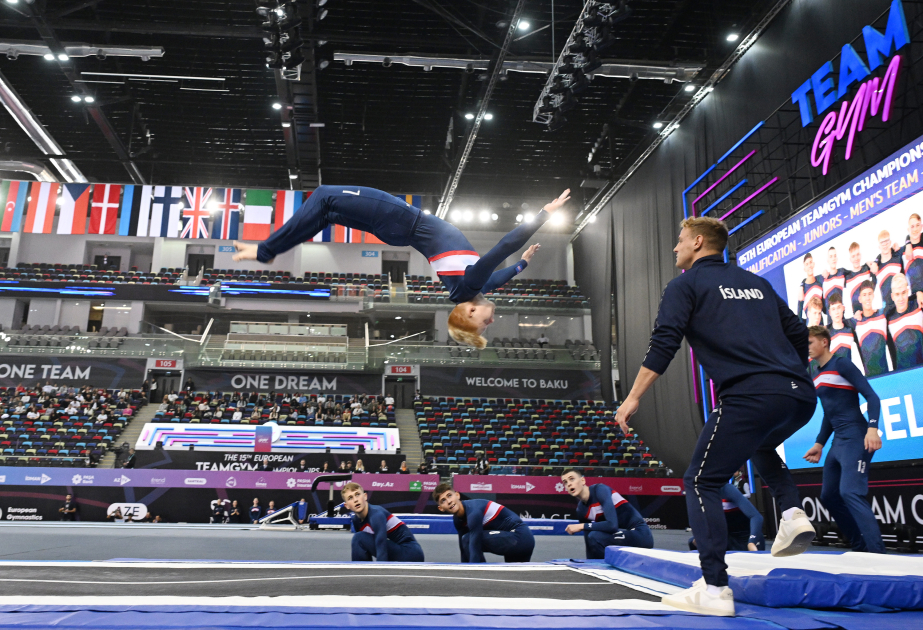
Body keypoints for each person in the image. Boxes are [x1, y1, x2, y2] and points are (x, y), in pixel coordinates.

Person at [615, 216, 817, 617]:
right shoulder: (757, 283)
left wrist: (633, 397)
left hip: (749, 396)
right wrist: (789, 372)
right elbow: (799, 332)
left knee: (702, 480)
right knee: (759, 444)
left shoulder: (685, 285)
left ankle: (715, 588)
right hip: (798, 396)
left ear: (699, 242)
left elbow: (664, 343)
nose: (675, 248)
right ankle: (792, 512)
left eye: (680, 240)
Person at [233, 186, 571, 349]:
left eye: (484, 325)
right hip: (398, 231)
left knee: (322, 196)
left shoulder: (469, 285)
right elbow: (500, 277)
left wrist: (545, 213)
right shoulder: (471, 289)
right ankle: (268, 250)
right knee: (326, 211)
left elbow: (503, 246)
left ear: (469, 313)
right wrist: (523, 264)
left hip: (399, 219)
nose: (492, 320)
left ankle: (266, 251)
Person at [803, 326, 885, 554]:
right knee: (829, 497)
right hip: (838, 441)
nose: (806, 347)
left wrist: (872, 429)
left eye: (809, 342)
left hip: (857, 437)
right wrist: (819, 443)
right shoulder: (815, 372)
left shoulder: (842, 364)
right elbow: (829, 413)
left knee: (850, 492)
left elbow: (872, 396)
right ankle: (859, 548)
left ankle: (878, 554)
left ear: (824, 342)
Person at [561, 469, 653, 557]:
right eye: (565, 482)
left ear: (583, 481)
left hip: (640, 535)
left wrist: (582, 526)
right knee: (593, 537)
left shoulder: (600, 490)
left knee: (596, 536)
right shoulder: (581, 510)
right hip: (619, 535)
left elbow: (612, 525)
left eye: (572, 479)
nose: (569, 484)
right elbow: (589, 544)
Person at [433, 482, 534, 563]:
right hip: (512, 540)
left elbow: (474, 548)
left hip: (521, 537)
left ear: (457, 495)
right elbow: (464, 551)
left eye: (449, 496)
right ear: (441, 508)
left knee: (468, 540)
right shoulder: (457, 520)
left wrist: (474, 574)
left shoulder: (473, 512)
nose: (449, 501)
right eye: (443, 500)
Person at [343, 482, 424, 562]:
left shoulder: (376, 514)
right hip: (395, 550)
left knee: (358, 538)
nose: (355, 500)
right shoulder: (356, 520)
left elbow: (381, 546)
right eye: (350, 498)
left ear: (365, 496)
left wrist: (380, 572)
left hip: (411, 553)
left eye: (357, 494)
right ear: (347, 505)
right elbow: (364, 551)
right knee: (359, 539)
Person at [689, 483, 765, 552]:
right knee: (692, 542)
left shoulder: (726, 489)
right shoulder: (699, 492)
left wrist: (752, 541)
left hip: (745, 537)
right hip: (725, 537)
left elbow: (756, 516)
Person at [886, 273, 923, 370]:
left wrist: (919, 292)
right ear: (892, 296)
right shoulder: (888, 319)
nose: (901, 298)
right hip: (903, 373)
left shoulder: (918, 306)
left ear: (907, 292)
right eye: (897, 294)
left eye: (903, 293)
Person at [854, 280, 891, 376]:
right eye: (864, 295)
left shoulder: (882, 315)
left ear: (873, 296)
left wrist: (918, 294)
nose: (867, 298)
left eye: (870, 294)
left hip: (886, 374)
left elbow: (898, 304)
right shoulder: (856, 322)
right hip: (869, 378)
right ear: (860, 299)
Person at [869, 230, 904, 312]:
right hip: (888, 310)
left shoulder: (898, 258)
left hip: (902, 304)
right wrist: (870, 308)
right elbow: (871, 289)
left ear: (890, 242)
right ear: (879, 246)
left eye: (887, 241)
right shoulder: (876, 267)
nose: (885, 245)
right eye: (882, 243)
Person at [845, 242, 876, 318]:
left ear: (861, 255)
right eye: (853, 256)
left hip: (871, 312)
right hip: (858, 316)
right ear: (850, 259)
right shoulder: (847, 277)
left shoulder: (866, 269)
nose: (856, 258)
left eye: (858, 254)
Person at [826, 294, 856, 361]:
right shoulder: (826, 334)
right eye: (833, 309)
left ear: (843, 308)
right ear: (829, 312)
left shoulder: (850, 329)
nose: (836, 312)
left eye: (839, 307)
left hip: (849, 370)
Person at [797, 252, 824, 322]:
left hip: (821, 324)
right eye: (807, 264)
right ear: (804, 268)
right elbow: (799, 313)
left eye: (810, 262)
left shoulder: (820, 281)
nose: (809, 266)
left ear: (814, 264)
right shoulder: (802, 289)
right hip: (810, 328)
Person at [821, 247, 847, 312]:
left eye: (835, 256)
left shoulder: (842, 272)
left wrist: (867, 264)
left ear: (837, 258)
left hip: (841, 315)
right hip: (830, 318)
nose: (833, 259)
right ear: (828, 260)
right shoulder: (824, 278)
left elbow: (855, 272)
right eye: (831, 256)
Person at [904, 213, 923, 301]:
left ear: (921, 226)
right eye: (912, 226)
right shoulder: (903, 252)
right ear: (908, 229)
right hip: (916, 300)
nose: (915, 229)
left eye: (917, 225)